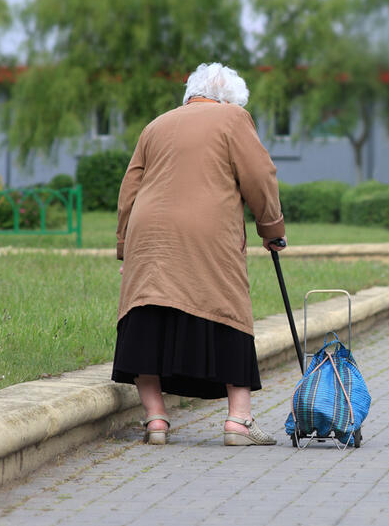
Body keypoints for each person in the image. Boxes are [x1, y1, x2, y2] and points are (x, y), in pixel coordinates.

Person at [112, 62, 286, 446]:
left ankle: (156, 420)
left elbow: (130, 187)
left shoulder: (156, 125)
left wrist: (125, 244)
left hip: (149, 232)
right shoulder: (233, 118)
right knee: (226, 309)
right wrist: (272, 229)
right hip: (207, 230)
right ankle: (239, 422)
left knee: (147, 311)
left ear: (192, 93)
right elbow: (259, 176)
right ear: (229, 97)